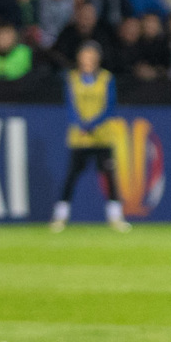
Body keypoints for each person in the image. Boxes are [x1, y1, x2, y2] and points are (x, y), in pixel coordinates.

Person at [50, 42, 131, 233]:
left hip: (102, 137)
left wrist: (92, 125)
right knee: (71, 176)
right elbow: (70, 106)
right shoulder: (72, 79)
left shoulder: (106, 78)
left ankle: (115, 216)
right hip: (80, 137)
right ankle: (60, 216)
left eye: (91, 55)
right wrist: (81, 124)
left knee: (109, 177)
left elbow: (110, 106)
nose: (88, 59)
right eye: (85, 55)